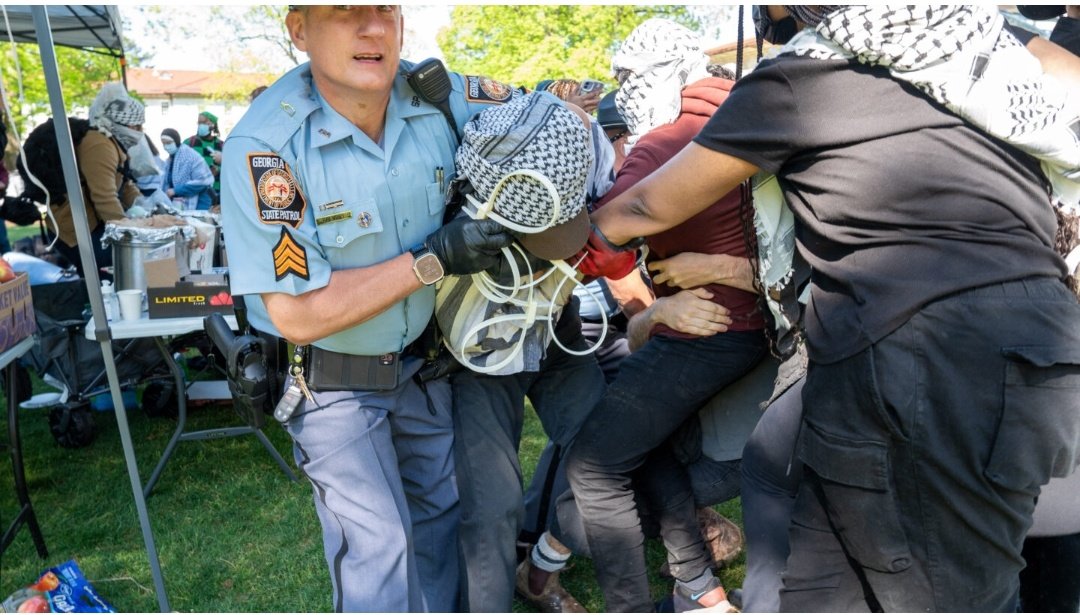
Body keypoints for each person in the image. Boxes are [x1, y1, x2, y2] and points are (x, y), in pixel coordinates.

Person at [579, 5, 1080, 612]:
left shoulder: (800, 78)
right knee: (823, 579)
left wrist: (529, 236)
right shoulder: (992, 57)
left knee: (948, 594)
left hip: (919, 347)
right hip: (1030, 339)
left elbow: (640, 211)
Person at [219, 6, 517, 612]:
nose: (372, 28)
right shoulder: (266, 147)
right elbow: (298, 314)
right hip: (333, 382)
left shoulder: (436, 95)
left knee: (439, 518)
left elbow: (545, 117)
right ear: (298, 29)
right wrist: (431, 259)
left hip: (421, 364)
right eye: (344, 11)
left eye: (384, 8)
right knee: (379, 545)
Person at [565, 18, 767, 612]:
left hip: (708, 331)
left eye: (630, 76)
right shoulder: (753, 116)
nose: (623, 88)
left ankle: (630, 603)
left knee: (593, 468)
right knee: (640, 443)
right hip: (760, 323)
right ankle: (699, 590)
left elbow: (598, 248)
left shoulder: (661, 145)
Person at [436, 91, 606, 614]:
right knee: (492, 505)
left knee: (610, 450)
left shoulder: (567, 136)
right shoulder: (454, 176)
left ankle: (541, 568)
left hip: (555, 325)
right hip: (476, 348)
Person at [44, 82, 142, 278]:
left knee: (106, 276)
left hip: (90, 223)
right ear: (123, 123)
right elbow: (104, 197)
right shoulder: (99, 144)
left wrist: (142, 204)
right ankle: (98, 308)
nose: (140, 130)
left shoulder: (113, 141)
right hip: (74, 227)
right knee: (105, 277)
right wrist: (127, 231)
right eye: (136, 125)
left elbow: (124, 180)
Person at [160, 128, 214, 210]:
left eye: (169, 143)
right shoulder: (170, 160)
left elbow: (203, 181)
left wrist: (176, 190)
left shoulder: (190, 157)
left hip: (199, 204)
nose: (166, 146)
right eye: (164, 143)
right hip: (178, 205)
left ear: (176, 141)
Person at [186, 110, 223, 200]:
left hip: (216, 190)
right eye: (199, 123)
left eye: (204, 123)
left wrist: (218, 170)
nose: (200, 125)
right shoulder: (190, 142)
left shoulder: (221, 145)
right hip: (195, 190)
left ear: (212, 125)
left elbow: (231, 168)